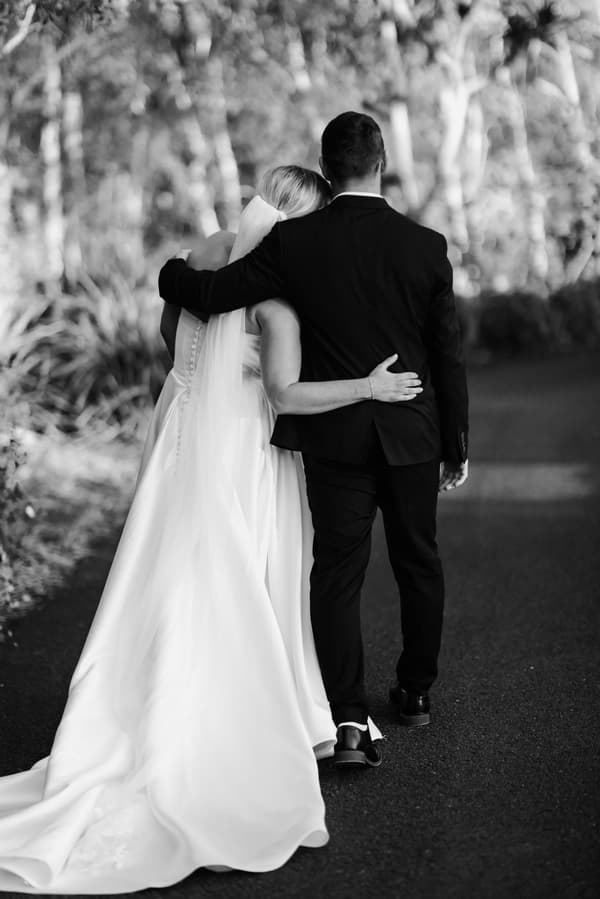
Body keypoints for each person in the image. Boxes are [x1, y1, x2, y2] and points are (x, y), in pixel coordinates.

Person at [0, 165, 423, 893]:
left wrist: (196, 389)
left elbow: (175, 338)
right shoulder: (278, 298)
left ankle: (146, 696)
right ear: (300, 220)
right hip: (244, 448)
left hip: (180, 432)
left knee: (168, 565)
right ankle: (239, 714)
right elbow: (285, 390)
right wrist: (369, 386)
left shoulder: (199, 257)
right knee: (243, 571)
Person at [159, 111, 470, 769]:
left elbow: (213, 294)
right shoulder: (426, 245)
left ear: (327, 168)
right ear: (381, 159)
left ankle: (349, 719)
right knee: (419, 561)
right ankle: (414, 691)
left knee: (335, 573)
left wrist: (169, 274)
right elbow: (449, 356)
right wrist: (456, 443)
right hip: (412, 431)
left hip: (335, 439)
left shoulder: (294, 243)